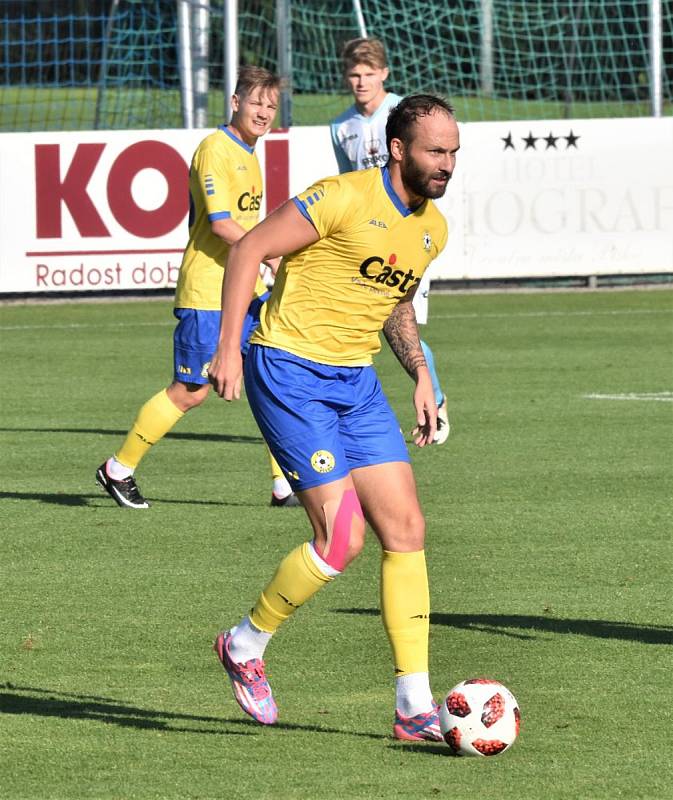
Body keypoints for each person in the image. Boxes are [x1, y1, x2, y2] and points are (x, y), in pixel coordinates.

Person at [208, 94, 460, 739]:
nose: (448, 165)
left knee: (405, 529)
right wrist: (227, 350)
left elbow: (395, 300)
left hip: (356, 380)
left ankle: (413, 707)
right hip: (288, 369)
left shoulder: (433, 227)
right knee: (341, 538)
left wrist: (423, 375)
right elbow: (248, 251)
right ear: (399, 148)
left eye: (455, 153)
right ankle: (245, 643)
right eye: (436, 151)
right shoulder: (341, 196)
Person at [95, 65, 299, 509]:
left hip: (242, 288)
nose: (263, 111)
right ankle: (118, 468)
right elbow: (224, 225)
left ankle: (284, 484)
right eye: (255, 102)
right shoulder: (216, 149)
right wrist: (270, 253)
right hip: (208, 289)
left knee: (274, 373)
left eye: (270, 105)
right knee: (192, 391)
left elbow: (243, 225)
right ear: (235, 102)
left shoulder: (249, 152)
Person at [330, 37, 450, 444]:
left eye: (368, 74)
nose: (361, 82)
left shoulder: (407, 115)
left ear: (383, 73)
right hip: (369, 236)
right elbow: (351, 181)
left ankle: (435, 402)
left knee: (401, 318)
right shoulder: (340, 126)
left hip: (408, 232)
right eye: (354, 75)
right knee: (375, 318)